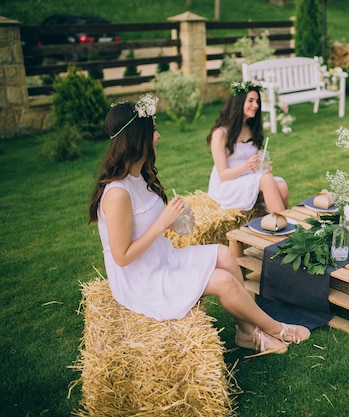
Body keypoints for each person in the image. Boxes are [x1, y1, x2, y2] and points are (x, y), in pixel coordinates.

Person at [88, 94, 310, 354]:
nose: (158, 136)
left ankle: (248, 331)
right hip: (142, 280)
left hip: (162, 259)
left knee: (225, 254)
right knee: (224, 281)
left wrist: (178, 221)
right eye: (154, 130)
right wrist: (162, 223)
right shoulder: (117, 194)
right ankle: (276, 328)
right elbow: (122, 257)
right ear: (138, 137)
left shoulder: (139, 177)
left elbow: (152, 224)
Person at [207, 81, 288, 213]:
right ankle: (285, 225)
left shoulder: (251, 129)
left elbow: (255, 163)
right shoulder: (220, 133)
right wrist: (247, 166)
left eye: (257, 101)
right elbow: (223, 175)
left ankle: (278, 225)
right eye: (250, 100)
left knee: (282, 186)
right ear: (239, 103)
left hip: (248, 179)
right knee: (266, 179)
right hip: (227, 184)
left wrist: (262, 167)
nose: (255, 105)